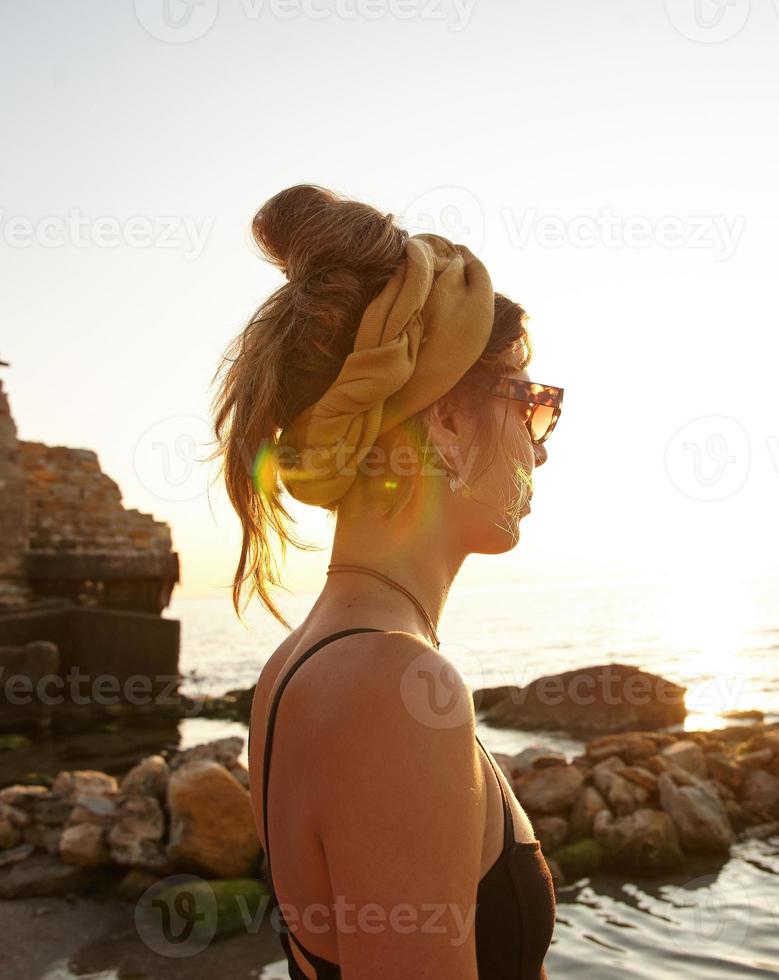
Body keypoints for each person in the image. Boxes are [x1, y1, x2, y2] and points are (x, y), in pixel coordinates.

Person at [213, 185, 563, 978]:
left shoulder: (307, 662)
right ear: (443, 422)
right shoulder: (391, 686)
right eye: (531, 403)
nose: (540, 448)